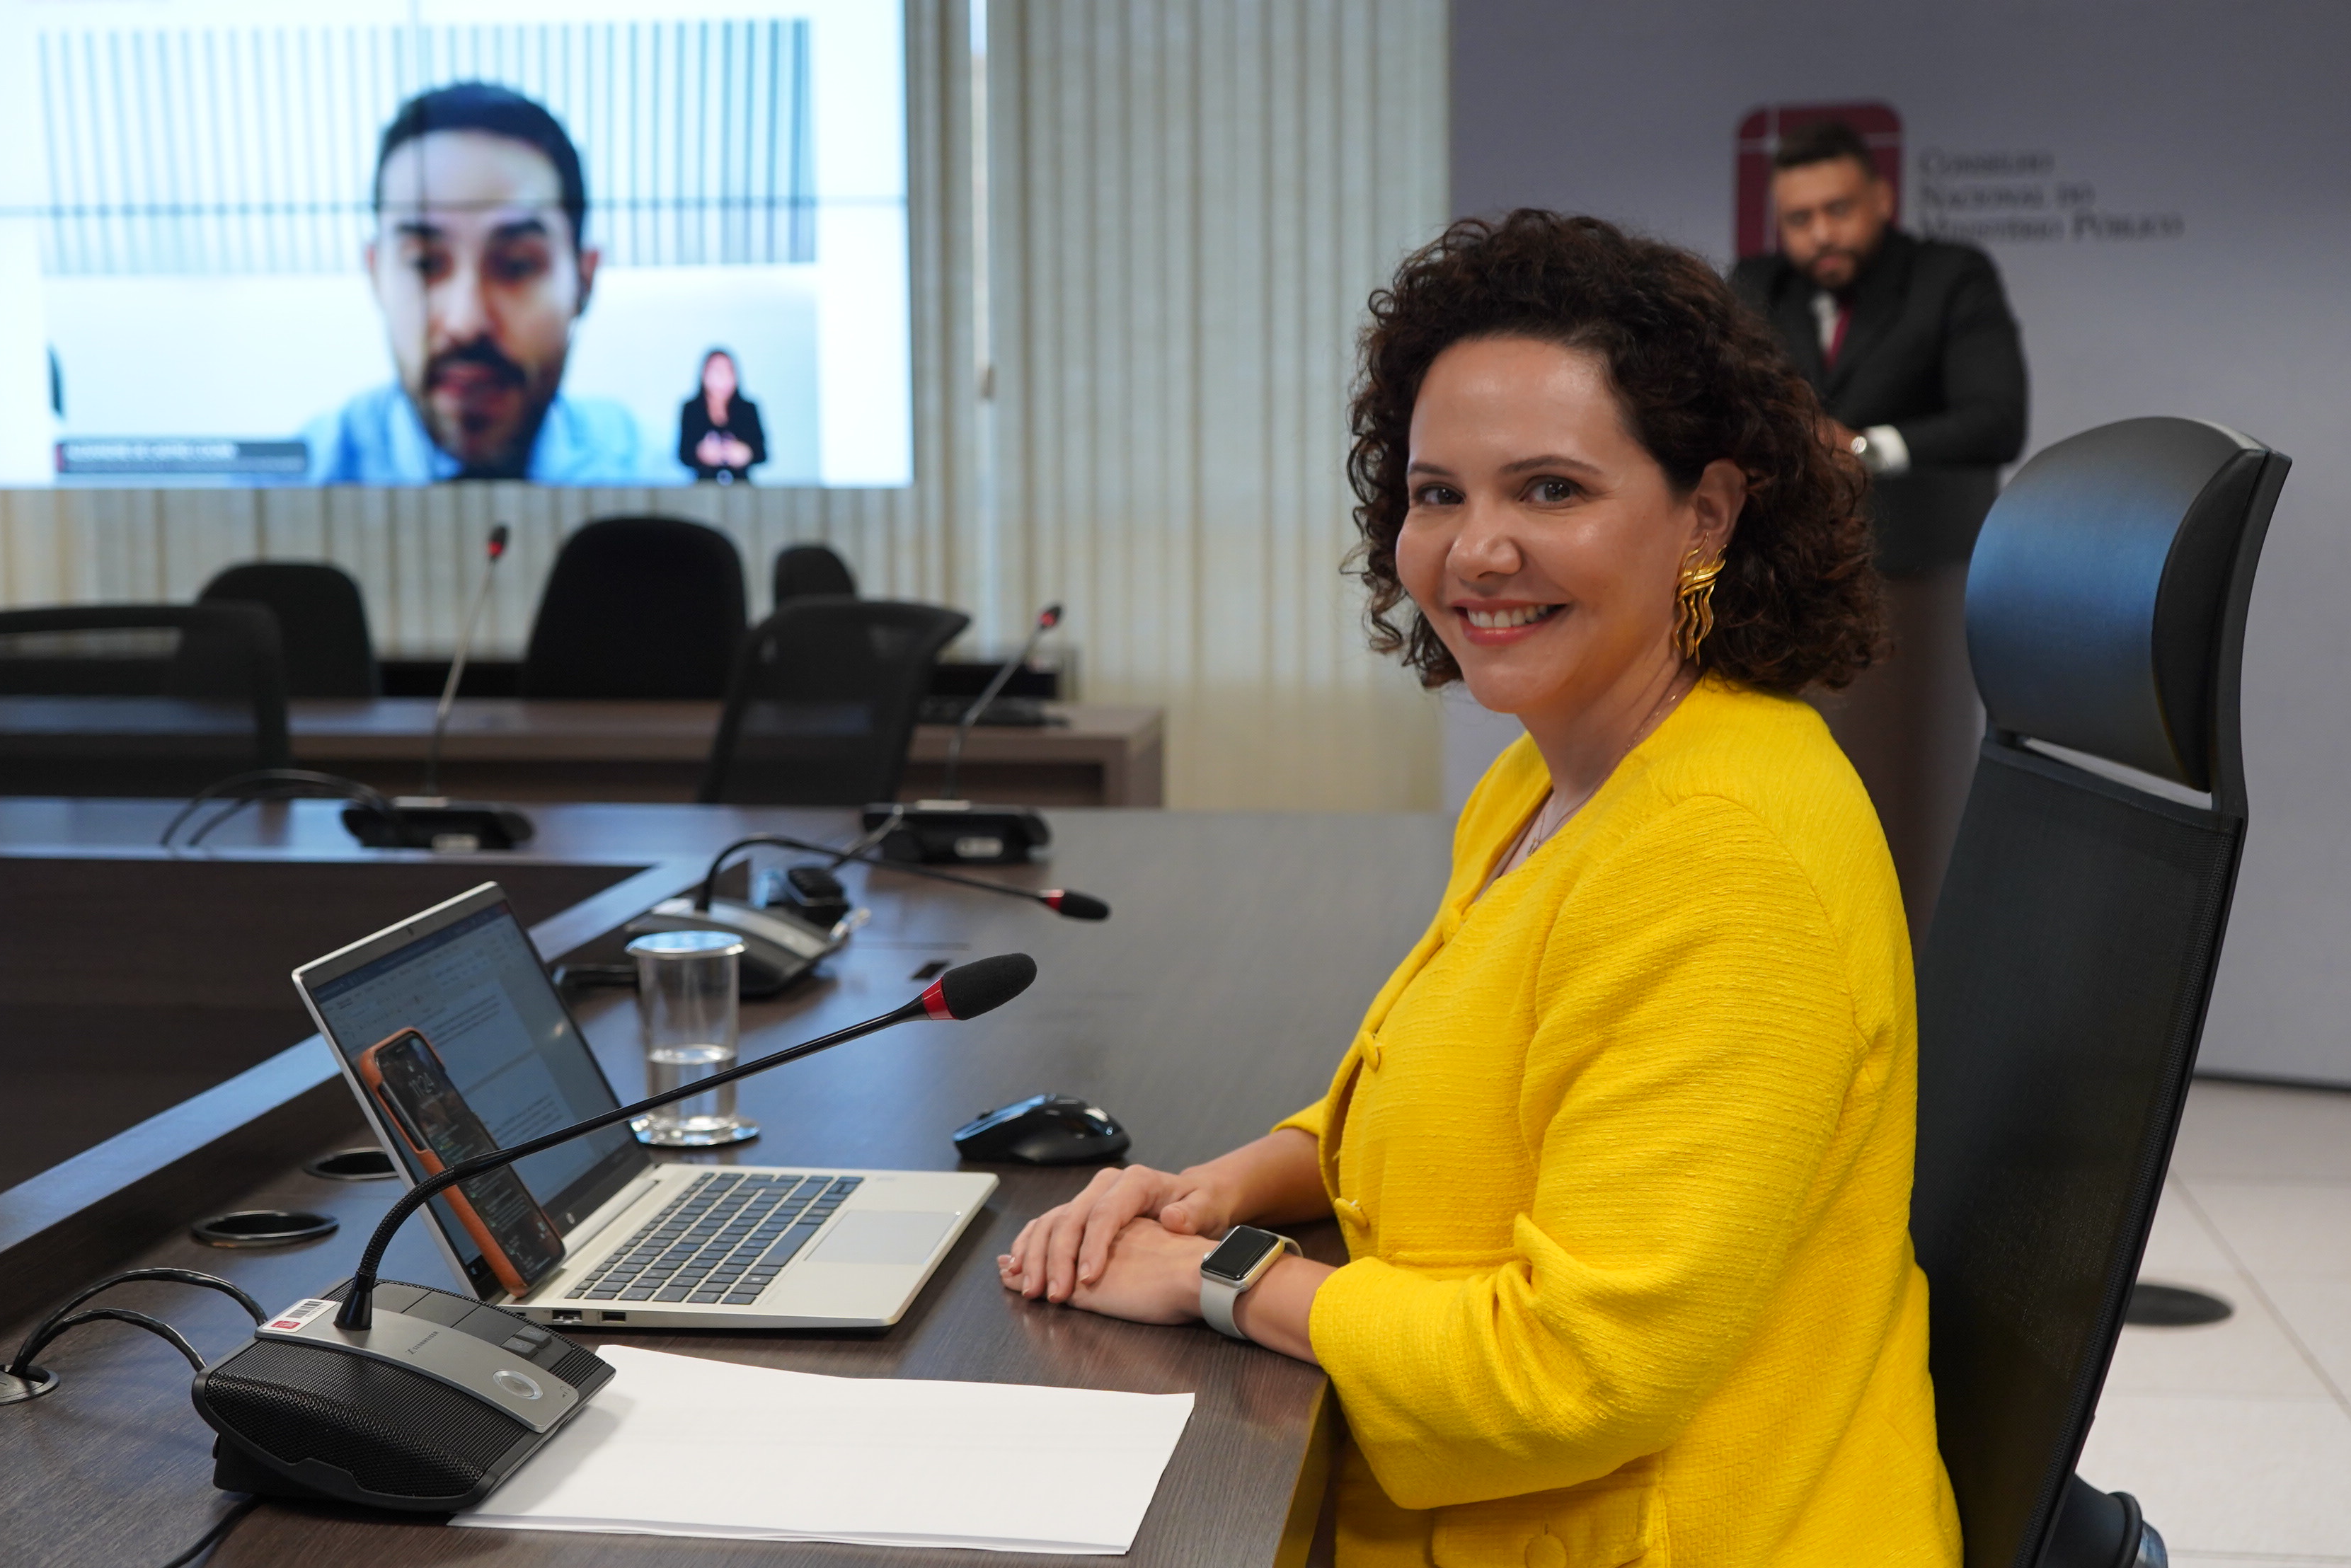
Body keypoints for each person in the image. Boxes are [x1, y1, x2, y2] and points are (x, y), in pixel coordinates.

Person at [999, 209, 1959, 1566]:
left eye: (1550, 490)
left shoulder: (1725, 857)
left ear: (1706, 514)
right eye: (1438, 493)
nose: (1475, 550)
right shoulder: (1545, 776)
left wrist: (1223, 1281)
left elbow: (1575, 1375)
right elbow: (1435, 1115)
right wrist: (1207, 1193)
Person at [1728, 119, 2027, 940]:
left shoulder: (1949, 277)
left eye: (1838, 209)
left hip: (1917, 582)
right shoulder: (1756, 285)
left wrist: (1863, 449)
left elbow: (1997, 417)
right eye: (1799, 218)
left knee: (1900, 815)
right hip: (1779, 585)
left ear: (1882, 199)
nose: (1821, 233)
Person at [302, 82, 660, 485]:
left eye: (517, 266)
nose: (467, 321)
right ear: (375, 275)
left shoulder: (659, 479)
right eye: (424, 264)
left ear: (584, 280)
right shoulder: (289, 485)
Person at [678, 347, 769, 483]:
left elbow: (762, 454)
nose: (722, 377)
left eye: (728, 371)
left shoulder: (748, 409)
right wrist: (701, 453)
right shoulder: (692, 409)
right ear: (704, 374)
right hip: (704, 485)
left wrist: (746, 453)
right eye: (717, 371)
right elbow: (683, 455)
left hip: (741, 485)